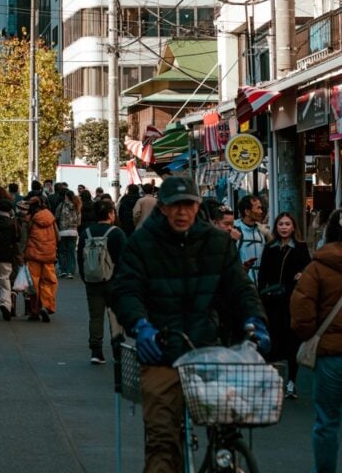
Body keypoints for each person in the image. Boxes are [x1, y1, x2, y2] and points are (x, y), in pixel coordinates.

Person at [111, 175, 268, 473]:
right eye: (175, 206)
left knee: (226, 428)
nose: (182, 212)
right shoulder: (142, 243)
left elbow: (240, 289)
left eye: (189, 205)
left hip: (207, 347)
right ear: (163, 209)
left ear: (197, 207)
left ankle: (225, 461)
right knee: (161, 440)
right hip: (160, 350)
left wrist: (255, 321)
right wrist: (141, 326)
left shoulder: (217, 242)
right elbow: (125, 290)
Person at [291, 208, 342, 473]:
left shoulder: (318, 267)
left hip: (330, 356)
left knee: (327, 421)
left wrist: (311, 335)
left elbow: (302, 312)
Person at [257, 210, 310, 399]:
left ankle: (291, 383)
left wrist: (303, 273)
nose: (284, 227)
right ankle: (271, 382)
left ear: (293, 226)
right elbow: (262, 274)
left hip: (292, 301)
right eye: (281, 224)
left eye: (287, 224)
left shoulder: (301, 248)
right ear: (276, 227)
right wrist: (260, 296)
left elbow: (308, 269)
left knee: (292, 342)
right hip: (271, 301)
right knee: (270, 342)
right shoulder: (270, 247)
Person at [78, 196, 126, 364]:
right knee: (115, 316)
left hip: (93, 281)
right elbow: (124, 260)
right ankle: (117, 349)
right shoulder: (117, 234)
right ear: (111, 214)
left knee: (95, 317)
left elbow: (80, 259)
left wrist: (86, 278)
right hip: (113, 282)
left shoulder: (86, 233)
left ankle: (96, 351)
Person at [21, 196, 59, 322]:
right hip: (49, 255)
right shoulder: (50, 217)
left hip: (33, 255)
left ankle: (35, 311)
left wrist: (22, 253)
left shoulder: (30, 219)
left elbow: (24, 239)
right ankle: (46, 305)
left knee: (33, 283)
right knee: (48, 281)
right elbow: (57, 236)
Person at [0, 198, 20, 320]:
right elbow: (16, 239)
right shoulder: (12, 223)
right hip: (6, 255)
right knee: (5, 281)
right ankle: (6, 303)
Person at [234, 193, 271, 285]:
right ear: (247, 211)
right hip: (242, 284)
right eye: (258, 208)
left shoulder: (261, 231)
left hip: (261, 284)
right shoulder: (235, 232)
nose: (261, 211)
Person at [55, 189, 80, 278]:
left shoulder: (61, 205)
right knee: (71, 252)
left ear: (66, 197)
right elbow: (79, 221)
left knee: (62, 251)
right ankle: (70, 271)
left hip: (63, 231)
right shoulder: (77, 206)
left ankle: (63, 270)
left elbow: (56, 217)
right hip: (73, 232)